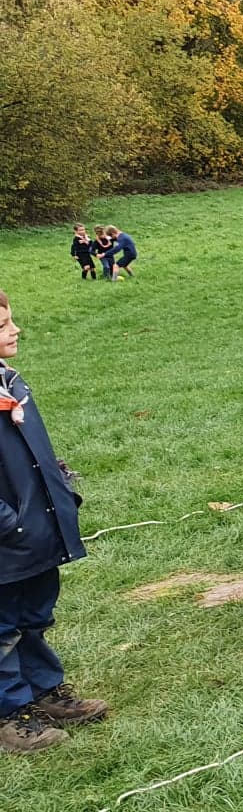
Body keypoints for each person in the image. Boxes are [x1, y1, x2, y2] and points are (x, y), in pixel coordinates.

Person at [0, 289, 107, 756]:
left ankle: (44, 689)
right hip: (8, 537)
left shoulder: (10, 382)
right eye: (2, 325)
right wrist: (8, 523)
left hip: (35, 531)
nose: (15, 330)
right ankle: (11, 713)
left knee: (34, 616)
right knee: (2, 627)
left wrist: (60, 490)